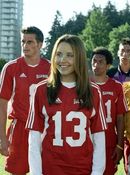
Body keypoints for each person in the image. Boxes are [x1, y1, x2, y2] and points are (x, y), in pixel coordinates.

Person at [26, 34, 107, 174]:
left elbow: (99, 139)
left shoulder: (93, 91)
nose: (63, 60)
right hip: (50, 168)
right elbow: (34, 139)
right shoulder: (41, 90)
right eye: (58, 54)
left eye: (70, 55)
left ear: (80, 58)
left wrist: (97, 172)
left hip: (82, 169)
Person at [0, 26, 50, 174]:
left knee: (47, 169)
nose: (25, 45)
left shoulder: (51, 68)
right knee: (17, 171)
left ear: (40, 44)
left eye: (30, 42)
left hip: (45, 127)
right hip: (20, 127)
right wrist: (2, 137)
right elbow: (2, 104)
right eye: (23, 41)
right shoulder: (11, 68)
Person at [90, 46, 128, 175]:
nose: (96, 65)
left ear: (108, 65)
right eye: (94, 61)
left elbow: (120, 118)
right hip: (86, 141)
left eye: (100, 62)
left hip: (108, 141)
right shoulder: (83, 85)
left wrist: (119, 145)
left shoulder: (116, 87)